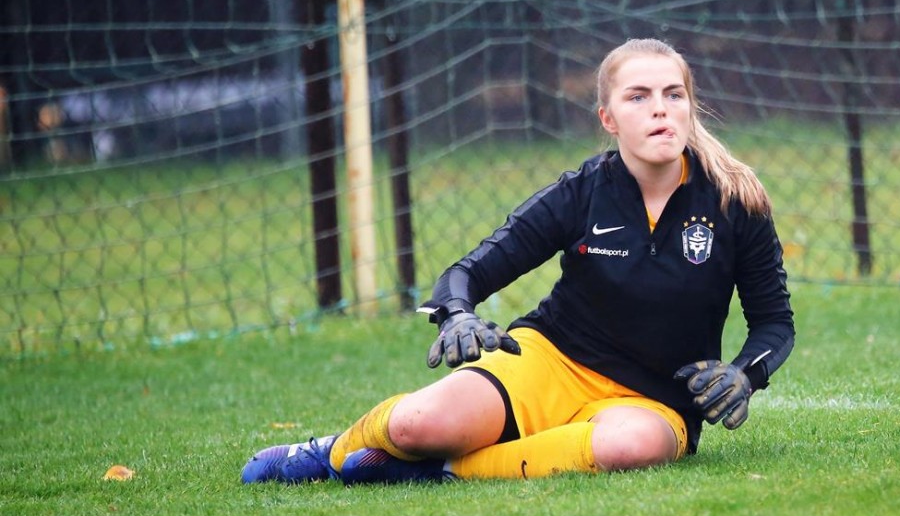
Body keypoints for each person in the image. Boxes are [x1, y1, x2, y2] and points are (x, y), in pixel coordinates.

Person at [241, 38, 795, 486]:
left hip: (654, 400)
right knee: (416, 424)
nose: (660, 108)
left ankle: (439, 471)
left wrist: (744, 374)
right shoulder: (581, 193)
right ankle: (329, 452)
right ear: (608, 118)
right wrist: (457, 314)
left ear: (690, 106)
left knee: (632, 447)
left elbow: (774, 322)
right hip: (550, 360)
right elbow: (469, 271)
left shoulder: (736, 200)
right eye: (638, 96)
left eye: (674, 94)